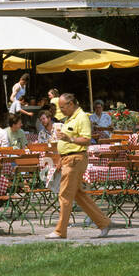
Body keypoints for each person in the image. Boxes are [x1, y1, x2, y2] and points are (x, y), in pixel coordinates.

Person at [46, 92, 112, 241]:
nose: (60, 110)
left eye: (62, 107)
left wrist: (69, 138)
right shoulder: (70, 118)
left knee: (64, 195)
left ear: (71, 104)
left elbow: (87, 139)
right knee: (78, 195)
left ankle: (60, 231)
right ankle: (104, 222)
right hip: (68, 159)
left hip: (75, 159)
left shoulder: (81, 117)